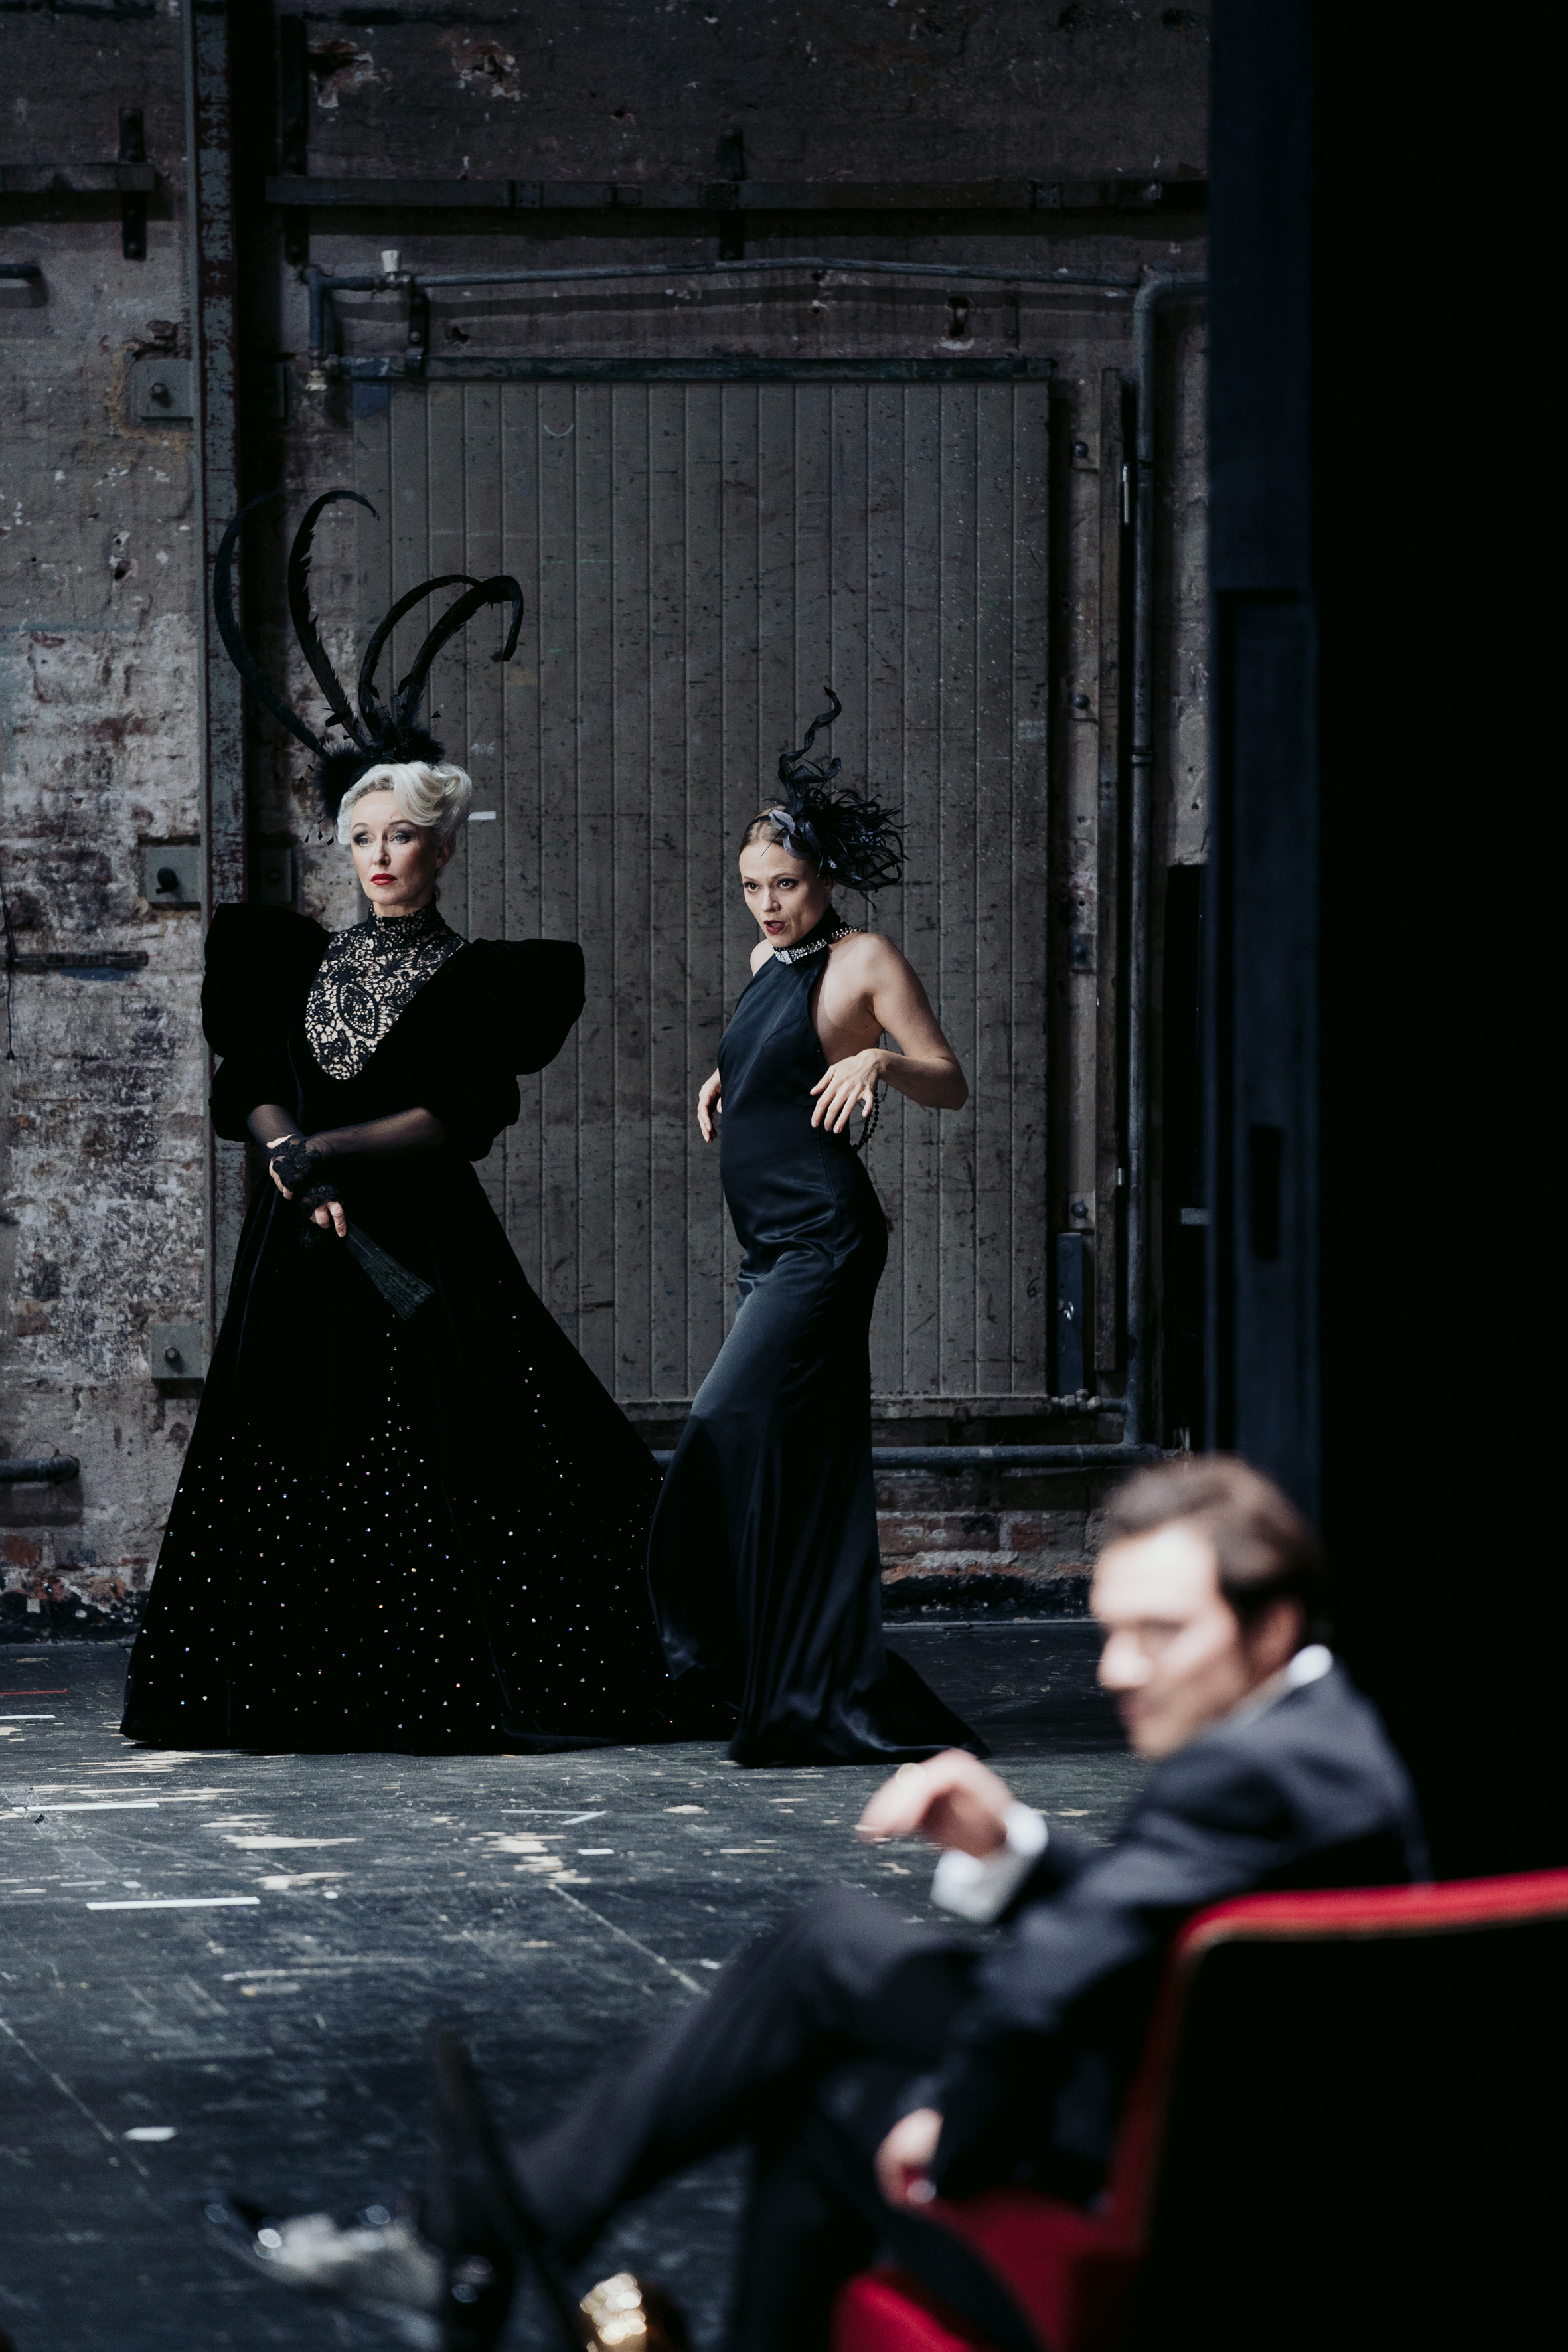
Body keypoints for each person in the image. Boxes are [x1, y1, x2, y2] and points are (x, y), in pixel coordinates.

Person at [217, 1454, 1427, 2350]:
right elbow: (1178, 1920)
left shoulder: (1249, 1775)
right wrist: (1015, 1844)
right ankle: (480, 2233)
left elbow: (1050, 1988)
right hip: (1192, 2093)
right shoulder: (1324, 1741)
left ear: (1270, 1622)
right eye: (1111, 1632)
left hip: (1162, 2159)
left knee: (825, 1994)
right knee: (825, 2017)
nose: (1116, 1670)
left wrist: (954, 2127)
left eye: (1159, 1635)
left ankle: (472, 2238)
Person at [121, 489, 681, 1753]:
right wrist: (286, 1146)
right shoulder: (288, 956)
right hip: (299, 1244)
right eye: (364, 838)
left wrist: (326, 1150)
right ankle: (302, 1691)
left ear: (444, 850)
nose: (381, 858)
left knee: (452, 1455)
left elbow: (460, 1115)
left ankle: (448, 1684)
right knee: (293, 1458)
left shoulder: (485, 979)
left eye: (405, 839)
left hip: (420, 1237)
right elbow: (250, 1075)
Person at [647, 689, 979, 1766]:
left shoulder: (864, 958)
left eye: (784, 884)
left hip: (825, 1243)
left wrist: (879, 1058)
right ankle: (807, 1684)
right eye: (752, 887)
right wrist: (724, 1076)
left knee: (722, 1424)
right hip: (767, 1248)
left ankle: (708, 1656)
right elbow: (773, 1053)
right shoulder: (764, 967)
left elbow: (949, 1080)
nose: (767, 905)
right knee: (806, 1463)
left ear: (822, 878)